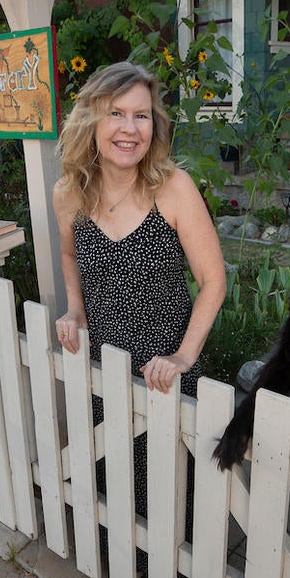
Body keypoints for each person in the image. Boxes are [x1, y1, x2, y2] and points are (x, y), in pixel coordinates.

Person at [53, 61, 226, 395]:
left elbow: (213, 280)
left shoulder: (174, 188)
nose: (130, 128)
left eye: (141, 115)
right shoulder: (68, 193)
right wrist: (75, 309)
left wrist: (183, 356)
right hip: (103, 374)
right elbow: (68, 253)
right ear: (91, 120)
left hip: (166, 378)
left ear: (153, 125)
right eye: (116, 113)